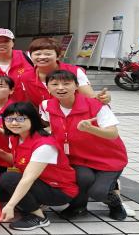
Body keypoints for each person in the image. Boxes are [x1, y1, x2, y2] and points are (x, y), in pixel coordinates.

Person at [40, 70, 128, 220]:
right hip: (78, 158)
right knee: (81, 179)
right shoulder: (46, 105)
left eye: (66, 83)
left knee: (98, 192)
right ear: (47, 87)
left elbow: (113, 133)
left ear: (76, 86)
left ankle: (115, 202)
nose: (60, 88)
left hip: (108, 158)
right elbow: (51, 126)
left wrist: (90, 129)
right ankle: (78, 207)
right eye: (54, 84)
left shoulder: (96, 105)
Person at [0, 102, 79, 230]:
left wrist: (10, 205)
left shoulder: (44, 145)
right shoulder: (15, 137)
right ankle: (33, 203)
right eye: (9, 119)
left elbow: (28, 178)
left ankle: (38, 216)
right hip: (41, 182)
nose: (14, 123)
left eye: (20, 119)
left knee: (9, 179)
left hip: (59, 190)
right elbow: (18, 161)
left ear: (33, 119)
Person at [17, 37, 109, 107]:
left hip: (75, 117)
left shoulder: (74, 72)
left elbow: (90, 98)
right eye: (37, 54)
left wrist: (102, 98)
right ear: (30, 56)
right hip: (43, 120)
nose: (42, 57)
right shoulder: (25, 77)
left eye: (48, 54)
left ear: (58, 56)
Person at [0, 28, 32, 101]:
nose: (2, 44)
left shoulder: (27, 56)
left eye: (6, 41)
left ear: (13, 43)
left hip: (25, 106)